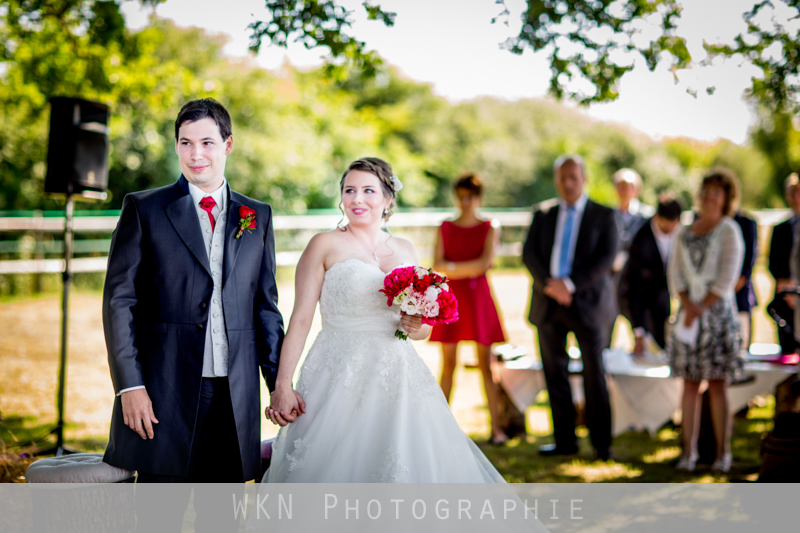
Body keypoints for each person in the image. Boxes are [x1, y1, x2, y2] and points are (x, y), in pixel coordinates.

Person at [262, 158, 505, 482]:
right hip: (336, 373)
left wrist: (415, 325)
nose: (357, 199)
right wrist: (282, 385)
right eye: (349, 190)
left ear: (388, 198)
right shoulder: (324, 244)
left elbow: (422, 330)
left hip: (398, 376)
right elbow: (301, 319)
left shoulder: (405, 248)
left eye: (368, 190)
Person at [102, 99, 285, 530]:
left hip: (233, 394)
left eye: (206, 142)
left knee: (222, 519)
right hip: (162, 391)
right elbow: (119, 302)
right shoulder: (144, 208)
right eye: (185, 143)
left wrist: (278, 383)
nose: (195, 153)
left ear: (228, 144)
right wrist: (131, 386)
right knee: (158, 516)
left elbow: (265, 307)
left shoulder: (255, 216)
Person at [522, 154, 619, 460]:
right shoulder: (543, 213)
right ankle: (565, 441)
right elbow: (529, 254)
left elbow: (606, 258)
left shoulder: (604, 215)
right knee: (554, 374)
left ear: (584, 179)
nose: (567, 183)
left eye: (573, 177)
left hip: (588, 305)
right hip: (548, 304)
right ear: (556, 180)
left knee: (594, 374)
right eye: (562, 178)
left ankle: (602, 445)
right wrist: (552, 286)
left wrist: (570, 285)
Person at [668, 168, 744, 473]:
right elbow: (674, 273)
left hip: (718, 319)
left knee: (716, 385)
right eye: (706, 190)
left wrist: (703, 306)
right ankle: (688, 452)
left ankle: (722, 454)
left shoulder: (729, 230)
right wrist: (687, 304)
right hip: (688, 318)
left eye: (716, 192)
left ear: (725, 198)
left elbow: (727, 277)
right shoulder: (684, 230)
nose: (709, 196)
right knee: (688, 384)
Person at [430, 173, 508, 445]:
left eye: (471, 197)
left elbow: (485, 263)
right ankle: (440, 428)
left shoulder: (490, 226)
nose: (466, 202)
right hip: (450, 299)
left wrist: (453, 268)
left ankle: (496, 429)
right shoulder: (445, 227)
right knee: (448, 365)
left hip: (478, 301)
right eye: (462, 197)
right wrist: (466, 269)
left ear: (479, 198)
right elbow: (436, 264)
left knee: (487, 366)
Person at [623, 194, 683, 354]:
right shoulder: (640, 238)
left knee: (666, 346)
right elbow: (632, 285)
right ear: (657, 217)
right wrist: (639, 330)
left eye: (673, 226)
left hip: (665, 300)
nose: (670, 231)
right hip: (642, 300)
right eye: (666, 227)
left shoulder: (681, 235)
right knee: (649, 349)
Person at [611, 168, 655, 345]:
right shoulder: (609, 215)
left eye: (629, 186)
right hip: (613, 279)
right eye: (621, 186)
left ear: (637, 190)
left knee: (640, 327)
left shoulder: (648, 216)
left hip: (639, 281)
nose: (625, 191)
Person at [768, 173, 800, 354]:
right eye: (792, 193)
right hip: (786, 297)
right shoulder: (780, 229)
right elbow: (773, 263)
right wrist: (787, 287)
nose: (796, 197)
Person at [733, 210, 758, 350]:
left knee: (742, 347)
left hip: (741, 295)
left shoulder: (746, 222)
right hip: (711, 302)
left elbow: (748, 263)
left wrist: (725, 291)